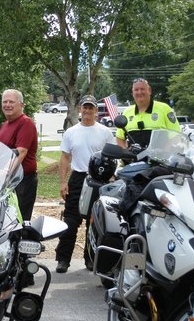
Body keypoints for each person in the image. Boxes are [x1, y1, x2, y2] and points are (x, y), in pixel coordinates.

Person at [55, 95, 116, 273]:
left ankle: (90, 259)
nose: (87, 110)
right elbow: (65, 158)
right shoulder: (71, 132)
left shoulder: (105, 132)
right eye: (85, 107)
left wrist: (112, 178)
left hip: (99, 179)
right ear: (80, 109)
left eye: (91, 108)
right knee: (70, 221)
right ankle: (63, 259)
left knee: (94, 222)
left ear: (96, 110)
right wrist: (63, 182)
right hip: (77, 179)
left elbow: (112, 158)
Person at [0, 89, 38, 221]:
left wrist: (5, 172)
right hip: (6, 181)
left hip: (21, 181)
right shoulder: (5, 125)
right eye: (5, 102)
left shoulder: (26, 123)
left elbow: (21, 152)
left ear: (21, 104)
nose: (7, 105)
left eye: (11, 102)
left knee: (18, 220)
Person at [116, 78, 180, 149]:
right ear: (132, 93)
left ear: (149, 91)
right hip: (135, 156)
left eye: (142, 89)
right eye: (136, 90)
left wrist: (166, 151)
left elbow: (176, 135)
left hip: (160, 155)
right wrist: (126, 151)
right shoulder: (126, 112)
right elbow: (119, 137)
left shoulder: (164, 109)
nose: (139, 92)